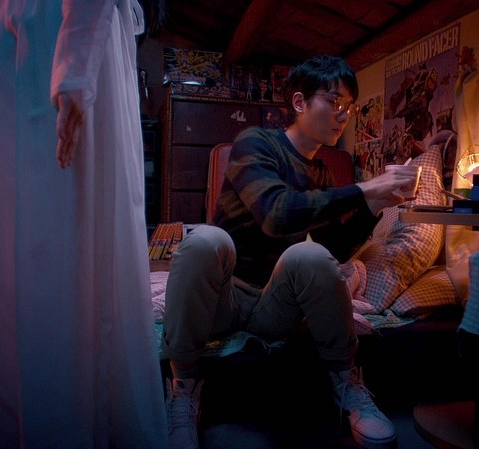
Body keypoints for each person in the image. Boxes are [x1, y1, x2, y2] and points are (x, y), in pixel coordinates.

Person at [162, 55, 415, 449]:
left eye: (349, 107)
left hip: (272, 304)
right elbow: (276, 215)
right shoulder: (255, 143)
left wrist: (375, 206)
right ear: (299, 102)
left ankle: (347, 383)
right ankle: (183, 385)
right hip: (222, 299)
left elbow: (334, 250)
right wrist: (366, 187)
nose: (343, 115)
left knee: (310, 256)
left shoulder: (322, 172)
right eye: (335, 101)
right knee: (207, 239)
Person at [0, 1, 168, 448]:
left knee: (53, 223)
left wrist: (74, 65)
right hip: (37, 30)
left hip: (60, 29)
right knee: (18, 229)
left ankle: (60, 416)